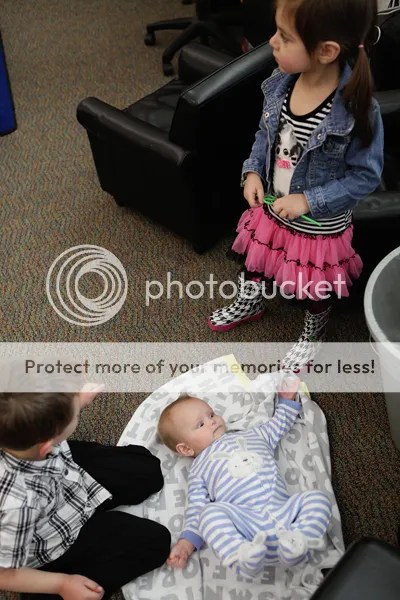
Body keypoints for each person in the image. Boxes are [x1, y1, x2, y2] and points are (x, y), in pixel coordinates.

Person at [208, 0, 384, 369]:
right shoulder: (280, 83)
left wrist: (309, 201)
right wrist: (252, 171)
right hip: (272, 208)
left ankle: (314, 332)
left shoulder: (357, 109)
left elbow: (366, 176)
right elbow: (265, 134)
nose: (272, 41)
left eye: (285, 37)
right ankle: (252, 301)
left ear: (326, 51)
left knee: (312, 287)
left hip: (317, 227)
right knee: (256, 259)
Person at [0, 384, 171, 600]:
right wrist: (61, 584)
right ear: (48, 443)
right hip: (57, 542)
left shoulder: (21, 432)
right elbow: (4, 574)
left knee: (147, 471)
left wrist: (74, 402)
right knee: (155, 542)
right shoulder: (19, 504)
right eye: (74, 415)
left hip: (70, 477)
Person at [157, 377, 332, 578]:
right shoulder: (198, 470)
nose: (212, 421)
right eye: (201, 424)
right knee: (208, 514)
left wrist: (286, 401)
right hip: (248, 526)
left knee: (318, 499)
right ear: (186, 449)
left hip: (285, 511)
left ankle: (298, 542)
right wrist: (186, 545)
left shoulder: (252, 435)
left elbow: (278, 425)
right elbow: (196, 509)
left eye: (211, 414)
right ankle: (241, 554)